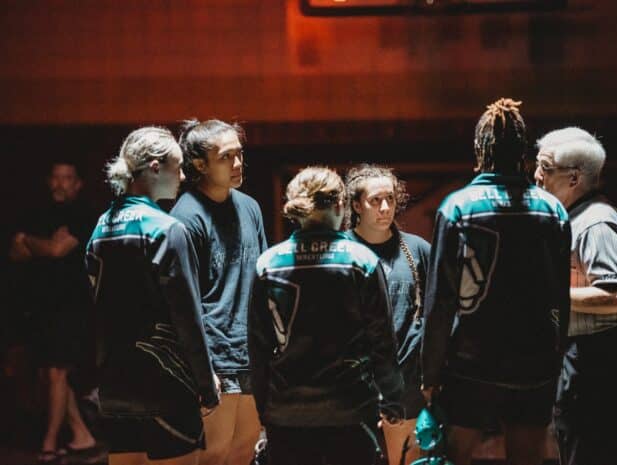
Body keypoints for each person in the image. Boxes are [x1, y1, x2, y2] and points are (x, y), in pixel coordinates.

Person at [421, 98, 571, 465]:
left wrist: (429, 371)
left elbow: (440, 299)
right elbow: (560, 299)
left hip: (471, 363)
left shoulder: (458, 206)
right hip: (534, 363)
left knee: (455, 455)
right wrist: (556, 357)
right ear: (523, 151)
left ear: (480, 149)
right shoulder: (552, 210)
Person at [248, 166, 404, 465]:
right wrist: (393, 399)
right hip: (350, 412)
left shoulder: (268, 263)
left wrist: (264, 410)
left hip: (287, 414)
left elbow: (258, 348)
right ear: (340, 205)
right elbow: (382, 341)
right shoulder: (362, 261)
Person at [85, 126, 219, 465]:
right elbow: (187, 315)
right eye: (177, 166)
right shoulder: (167, 229)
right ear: (156, 167)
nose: (184, 175)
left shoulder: (101, 226)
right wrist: (206, 382)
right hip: (166, 386)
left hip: (115, 387)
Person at [170, 119, 267, 465]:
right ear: (199, 164)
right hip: (215, 353)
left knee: (245, 449)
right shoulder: (186, 216)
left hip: (251, 352)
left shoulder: (250, 207)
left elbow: (261, 282)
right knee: (214, 453)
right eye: (226, 157)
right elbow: (184, 300)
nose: (238, 164)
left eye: (240, 154)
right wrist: (201, 367)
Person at [535, 126, 617, 465]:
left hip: (593, 364)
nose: (536, 176)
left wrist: (548, 295)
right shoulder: (576, 220)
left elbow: (614, 295)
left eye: (545, 168)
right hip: (581, 360)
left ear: (574, 178)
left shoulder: (596, 224)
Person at [8, 161, 97, 463]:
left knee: (58, 373)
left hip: (72, 306)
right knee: (49, 375)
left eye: (67, 178)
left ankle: (48, 443)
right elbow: (15, 254)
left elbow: (55, 251)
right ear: (49, 181)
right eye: (56, 178)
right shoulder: (38, 214)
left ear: (78, 183)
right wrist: (37, 244)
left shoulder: (83, 215)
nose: (60, 184)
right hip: (41, 306)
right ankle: (82, 435)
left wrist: (29, 241)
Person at [344, 164, 430, 465]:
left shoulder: (417, 250)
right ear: (356, 204)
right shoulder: (341, 251)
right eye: (375, 200)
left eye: (390, 199)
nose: (384, 208)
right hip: (353, 385)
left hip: (407, 382)